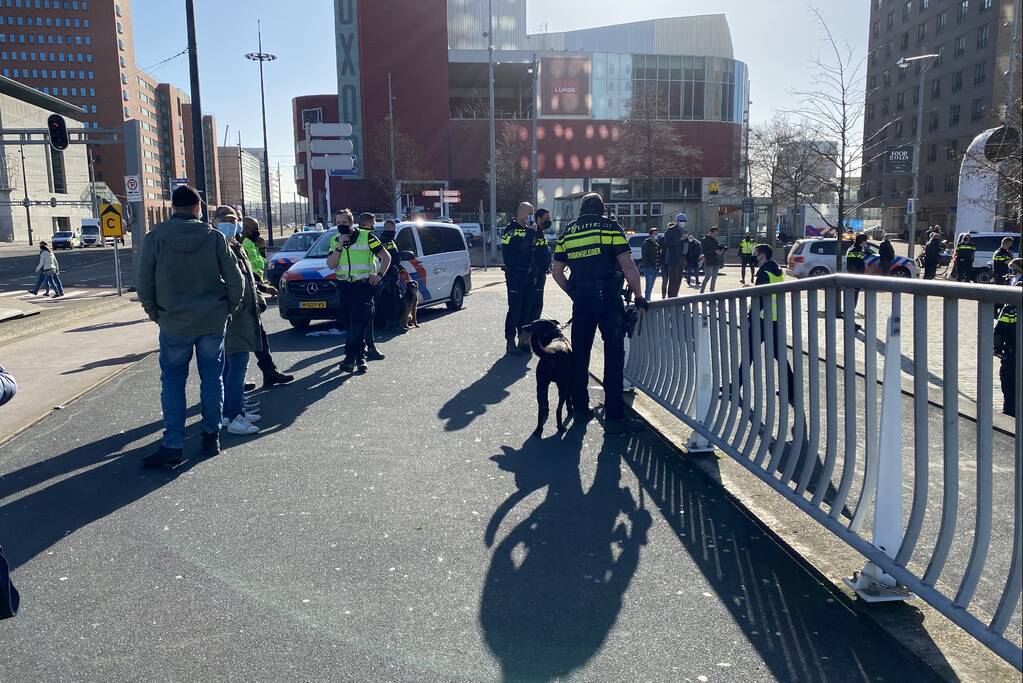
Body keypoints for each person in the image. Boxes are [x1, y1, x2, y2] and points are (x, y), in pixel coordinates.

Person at [136, 185, 243, 467]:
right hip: (211, 319)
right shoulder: (214, 237)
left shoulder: (155, 238)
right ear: (198, 208)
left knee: (172, 381)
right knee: (212, 377)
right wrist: (228, 310)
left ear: (173, 208)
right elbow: (236, 280)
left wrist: (155, 314)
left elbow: (144, 282)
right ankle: (211, 435)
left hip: (173, 320)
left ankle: (173, 445)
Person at [551, 192, 647, 435]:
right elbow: (627, 266)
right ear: (602, 209)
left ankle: (581, 408)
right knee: (613, 355)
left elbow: (557, 271)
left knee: (580, 354)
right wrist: (638, 296)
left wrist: (572, 292)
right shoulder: (609, 227)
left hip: (581, 302)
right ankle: (614, 414)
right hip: (608, 300)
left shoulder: (569, 232)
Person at [216, 209, 293, 389]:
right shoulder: (223, 245)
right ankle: (232, 396)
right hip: (236, 306)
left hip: (251, 298)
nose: (237, 226)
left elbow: (250, 272)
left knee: (260, 339)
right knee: (235, 353)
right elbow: (233, 278)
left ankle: (267, 373)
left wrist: (261, 288)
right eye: (252, 228)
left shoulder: (241, 244)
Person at [214, 215, 264, 436]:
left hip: (242, 315)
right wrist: (236, 310)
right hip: (235, 316)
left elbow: (248, 279)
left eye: (234, 222)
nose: (232, 226)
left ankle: (234, 411)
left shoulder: (236, 246)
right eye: (226, 221)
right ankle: (234, 415)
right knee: (237, 366)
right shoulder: (220, 248)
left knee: (232, 366)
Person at [326, 209, 391, 373]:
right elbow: (331, 265)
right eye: (338, 223)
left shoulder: (366, 236)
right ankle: (360, 357)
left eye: (344, 223)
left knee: (357, 320)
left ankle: (349, 358)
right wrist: (340, 244)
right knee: (350, 323)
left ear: (351, 222)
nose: (341, 226)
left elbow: (386, 257)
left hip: (363, 285)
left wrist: (379, 275)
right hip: (345, 286)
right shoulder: (334, 240)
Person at [744, 243, 795, 405]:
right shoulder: (776, 270)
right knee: (780, 356)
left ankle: (736, 386)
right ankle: (791, 389)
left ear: (762, 255)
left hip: (761, 319)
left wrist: (750, 318)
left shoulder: (764, 273)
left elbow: (759, 297)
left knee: (749, 354)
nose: (753, 255)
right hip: (774, 319)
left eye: (755, 252)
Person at [501, 202, 534, 354]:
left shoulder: (527, 229)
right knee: (515, 309)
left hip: (527, 273)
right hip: (515, 273)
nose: (530, 217)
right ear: (521, 213)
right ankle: (510, 342)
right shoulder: (511, 229)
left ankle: (523, 340)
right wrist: (530, 234)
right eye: (529, 213)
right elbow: (519, 248)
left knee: (526, 309)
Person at [357, 212, 387, 362]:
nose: (374, 226)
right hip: (368, 283)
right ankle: (369, 348)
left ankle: (355, 353)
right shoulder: (369, 237)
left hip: (348, 284)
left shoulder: (349, 236)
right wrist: (379, 275)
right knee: (367, 318)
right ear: (369, 223)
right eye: (374, 222)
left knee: (355, 319)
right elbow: (386, 257)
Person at [524, 208, 552, 329]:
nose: (548, 221)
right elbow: (531, 253)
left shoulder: (541, 232)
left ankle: (534, 331)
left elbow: (544, 251)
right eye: (546, 219)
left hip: (541, 274)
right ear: (539, 219)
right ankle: (528, 333)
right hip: (534, 275)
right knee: (532, 305)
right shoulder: (534, 232)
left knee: (538, 304)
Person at [993, 284, 1019, 417]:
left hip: (1012, 355)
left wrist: (997, 349)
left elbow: (999, 331)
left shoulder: (1010, 309)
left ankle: (1009, 419)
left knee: (1009, 388)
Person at [378, 218, 406, 333]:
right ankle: (394, 325)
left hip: (392, 273)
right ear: (386, 229)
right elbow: (383, 259)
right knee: (394, 301)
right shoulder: (383, 241)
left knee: (393, 301)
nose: (392, 232)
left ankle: (391, 324)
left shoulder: (390, 240)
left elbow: (395, 257)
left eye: (393, 230)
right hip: (387, 275)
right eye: (391, 230)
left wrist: (398, 266)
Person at [662, 215, 686, 297]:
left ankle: (675, 296)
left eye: (685, 221)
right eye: (682, 220)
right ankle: (671, 298)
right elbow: (667, 243)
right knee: (673, 280)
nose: (683, 222)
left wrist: (688, 239)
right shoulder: (671, 230)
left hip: (682, 258)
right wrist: (680, 240)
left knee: (679, 279)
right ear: (677, 221)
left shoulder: (684, 230)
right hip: (673, 258)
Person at [845, 233, 868, 319]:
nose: (866, 242)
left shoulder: (856, 249)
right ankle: (850, 317)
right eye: (865, 240)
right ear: (861, 241)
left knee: (854, 297)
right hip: (855, 278)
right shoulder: (855, 250)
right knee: (853, 298)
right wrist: (856, 277)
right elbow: (852, 265)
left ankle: (850, 316)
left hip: (855, 277)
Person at [700, 227, 724, 293]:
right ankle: (702, 290)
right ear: (710, 232)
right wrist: (715, 251)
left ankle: (712, 291)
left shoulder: (715, 240)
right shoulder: (704, 240)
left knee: (714, 277)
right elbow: (704, 251)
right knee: (708, 276)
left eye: (717, 234)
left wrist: (722, 249)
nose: (716, 235)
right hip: (709, 261)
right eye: (715, 233)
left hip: (716, 261)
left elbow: (717, 247)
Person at [640, 227, 660, 301]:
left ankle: (648, 299)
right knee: (648, 286)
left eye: (657, 234)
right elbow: (645, 257)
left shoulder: (656, 244)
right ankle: (647, 300)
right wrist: (651, 265)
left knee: (651, 286)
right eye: (655, 234)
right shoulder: (646, 244)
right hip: (649, 268)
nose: (656, 235)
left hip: (656, 268)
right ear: (650, 235)